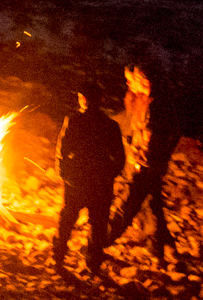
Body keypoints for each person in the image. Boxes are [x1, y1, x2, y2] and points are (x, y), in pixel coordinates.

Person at [108, 63, 183, 268]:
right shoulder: (138, 100)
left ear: (145, 82)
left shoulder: (158, 106)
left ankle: (99, 242)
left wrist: (148, 158)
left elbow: (165, 134)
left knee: (129, 203)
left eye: (131, 80)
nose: (128, 83)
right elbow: (133, 127)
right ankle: (162, 247)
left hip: (147, 165)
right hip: (140, 161)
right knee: (152, 204)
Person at [52, 81, 124, 278]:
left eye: (82, 96)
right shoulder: (110, 125)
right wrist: (109, 174)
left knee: (68, 220)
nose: (81, 99)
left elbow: (62, 151)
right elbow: (119, 158)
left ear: (84, 99)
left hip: (78, 180)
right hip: (99, 182)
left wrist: (64, 173)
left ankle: (58, 259)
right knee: (98, 225)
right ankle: (92, 265)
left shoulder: (74, 121)